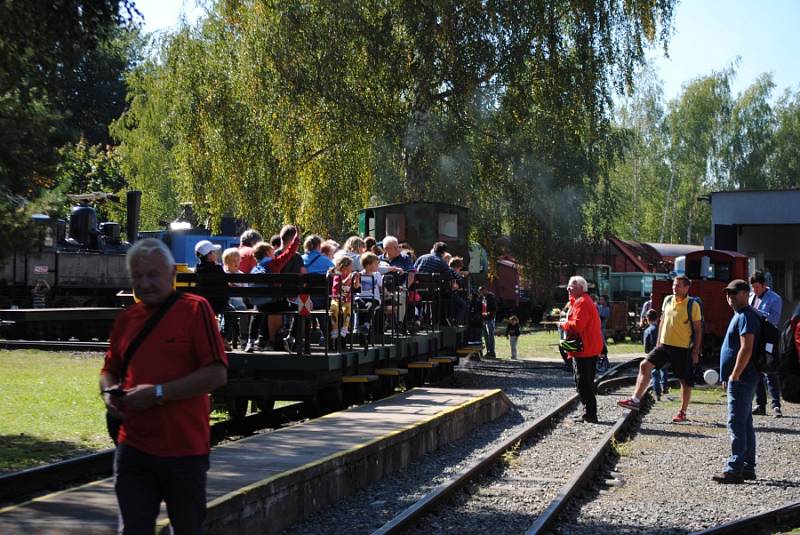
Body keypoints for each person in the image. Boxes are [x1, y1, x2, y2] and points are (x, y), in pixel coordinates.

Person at [100, 238, 228, 533]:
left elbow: (217, 374)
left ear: (171, 275)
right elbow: (109, 370)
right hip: (134, 447)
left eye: (152, 274)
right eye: (138, 276)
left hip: (184, 450)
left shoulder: (196, 310)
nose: (145, 284)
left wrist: (158, 393)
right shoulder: (127, 319)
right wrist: (109, 395)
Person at [618, 275, 701, 423]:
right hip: (664, 345)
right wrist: (658, 342)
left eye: (678, 286)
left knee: (684, 381)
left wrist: (695, 351)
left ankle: (682, 412)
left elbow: (698, 330)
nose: (675, 288)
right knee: (644, 365)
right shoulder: (668, 300)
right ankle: (635, 399)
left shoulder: (693, 305)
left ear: (687, 288)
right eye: (674, 285)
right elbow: (662, 322)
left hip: (682, 348)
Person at [712, 279, 761, 484]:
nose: (730, 297)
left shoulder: (746, 317)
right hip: (741, 377)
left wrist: (734, 374)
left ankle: (735, 468)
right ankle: (748, 467)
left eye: (735, 293)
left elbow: (746, 348)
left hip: (742, 378)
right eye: (728, 293)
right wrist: (729, 376)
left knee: (736, 422)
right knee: (745, 422)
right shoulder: (740, 316)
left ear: (745, 294)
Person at [560, 276, 603, 423]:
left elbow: (577, 326)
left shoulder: (582, 302)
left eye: (571, 286)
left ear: (580, 288)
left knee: (583, 383)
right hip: (587, 348)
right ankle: (589, 413)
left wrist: (563, 324)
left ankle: (590, 414)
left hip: (585, 350)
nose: (568, 289)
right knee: (584, 382)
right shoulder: (581, 301)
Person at [749, 271, 783, 418]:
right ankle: (760, 404)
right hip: (755, 338)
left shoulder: (775, 298)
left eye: (757, 287)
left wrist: (756, 311)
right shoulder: (751, 297)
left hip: (768, 338)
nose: (755, 290)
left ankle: (776, 404)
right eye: (753, 288)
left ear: (764, 285)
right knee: (756, 371)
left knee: (770, 370)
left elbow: (774, 319)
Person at [414, 242, 466, 326]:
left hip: (419, 292)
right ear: (444, 252)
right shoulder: (441, 262)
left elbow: (413, 272)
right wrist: (455, 287)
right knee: (461, 304)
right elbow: (450, 279)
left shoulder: (421, 258)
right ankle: (453, 320)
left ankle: (419, 320)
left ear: (433, 248)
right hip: (434, 294)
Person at [329, 256, 360, 347]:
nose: (352, 268)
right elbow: (342, 283)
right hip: (336, 298)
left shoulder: (350, 274)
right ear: (345, 266)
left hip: (347, 299)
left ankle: (345, 328)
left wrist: (356, 278)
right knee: (334, 309)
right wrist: (350, 277)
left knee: (348, 310)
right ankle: (335, 329)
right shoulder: (338, 274)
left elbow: (356, 286)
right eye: (351, 266)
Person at [221, 247, 248, 350]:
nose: (236, 262)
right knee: (226, 311)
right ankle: (225, 338)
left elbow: (245, 290)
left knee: (242, 309)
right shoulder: (223, 274)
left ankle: (244, 337)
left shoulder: (240, 275)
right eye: (233, 260)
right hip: (226, 301)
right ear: (226, 262)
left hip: (238, 301)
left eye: (237, 260)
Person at [355, 252, 383, 345]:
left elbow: (381, 286)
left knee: (371, 305)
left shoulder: (377, 275)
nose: (378, 266)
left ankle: (366, 325)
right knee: (361, 309)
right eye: (376, 264)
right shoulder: (359, 275)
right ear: (368, 265)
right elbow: (356, 287)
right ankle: (361, 336)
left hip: (373, 298)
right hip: (362, 297)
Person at [643, 309, 669, 400]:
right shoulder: (661, 329)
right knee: (664, 370)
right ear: (657, 318)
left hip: (653, 355)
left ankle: (657, 393)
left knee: (654, 373)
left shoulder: (647, 331)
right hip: (663, 353)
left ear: (647, 318)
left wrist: (648, 353)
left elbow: (646, 347)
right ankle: (665, 387)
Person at [479, 286, 497, 358]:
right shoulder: (483, 298)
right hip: (484, 319)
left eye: (481, 292)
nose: (480, 293)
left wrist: (488, 313)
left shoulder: (491, 297)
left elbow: (494, 308)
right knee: (486, 336)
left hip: (490, 318)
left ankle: (492, 352)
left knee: (490, 335)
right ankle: (488, 351)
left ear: (485, 290)